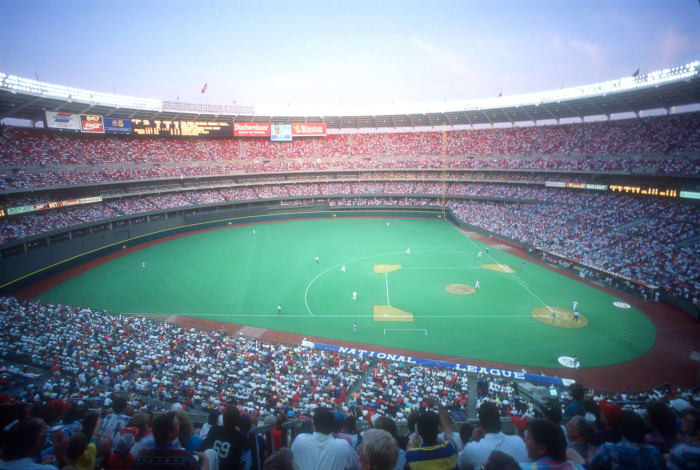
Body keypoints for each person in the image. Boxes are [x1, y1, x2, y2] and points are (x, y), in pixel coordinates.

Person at [457, 401, 528, 470]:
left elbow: (460, 464)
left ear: (480, 425)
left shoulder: (471, 449)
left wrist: (473, 440)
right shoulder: (519, 441)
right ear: (499, 420)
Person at [590, 410, 665, 470]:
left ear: (621, 429)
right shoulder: (655, 452)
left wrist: (590, 456)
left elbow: (591, 466)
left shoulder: (608, 450)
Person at [290, 407, 359, 470]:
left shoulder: (300, 439)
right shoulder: (343, 445)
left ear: (313, 425)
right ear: (332, 426)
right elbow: (356, 466)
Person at [134, 411, 204, 470]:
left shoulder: (141, 455)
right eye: (178, 426)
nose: (179, 428)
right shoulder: (184, 458)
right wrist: (205, 459)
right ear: (171, 434)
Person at [404, 404, 458, 470]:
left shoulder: (410, 455)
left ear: (419, 431)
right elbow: (448, 434)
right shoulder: (450, 447)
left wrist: (414, 448)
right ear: (438, 429)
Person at [201, 405, 247, 470]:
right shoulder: (240, 436)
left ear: (224, 418)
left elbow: (205, 448)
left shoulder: (214, 429)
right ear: (237, 420)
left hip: (210, 466)